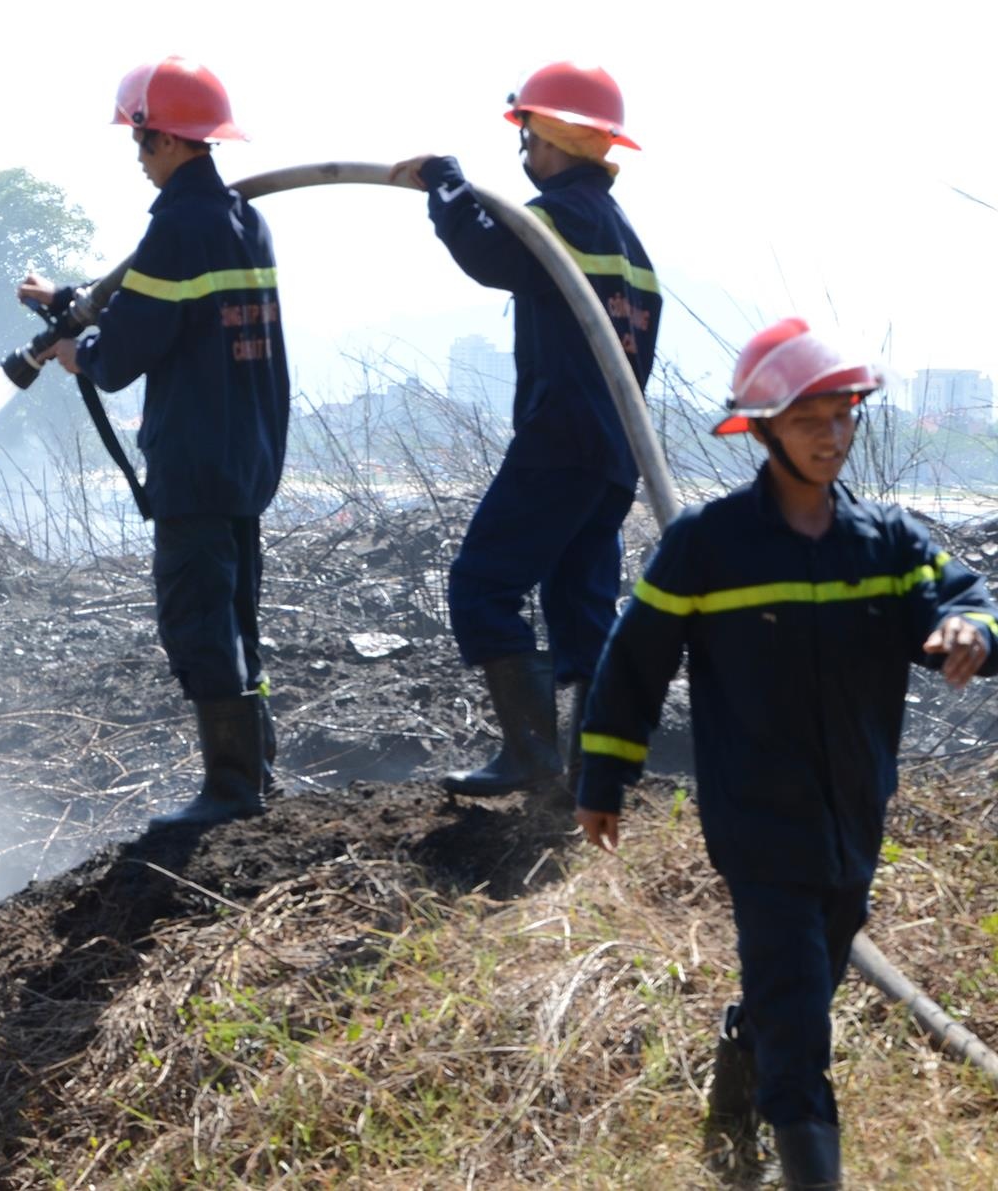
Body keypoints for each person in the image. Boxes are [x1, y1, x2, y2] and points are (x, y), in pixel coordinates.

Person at [574, 318, 998, 1189]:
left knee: (811, 976)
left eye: (844, 416)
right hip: (756, 818)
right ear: (764, 428)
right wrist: (605, 776)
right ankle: (807, 1157)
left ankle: (742, 1047)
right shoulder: (708, 543)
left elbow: (964, 596)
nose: (832, 436)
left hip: (854, 812)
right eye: (811, 420)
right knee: (803, 1016)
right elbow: (634, 663)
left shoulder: (887, 542)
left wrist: (972, 630)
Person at [19, 56, 288, 830]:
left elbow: (126, 351)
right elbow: (162, 308)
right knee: (237, 617)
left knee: (197, 621)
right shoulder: (241, 220)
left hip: (194, 462)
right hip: (246, 457)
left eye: (140, 145)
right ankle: (257, 775)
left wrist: (81, 352)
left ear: (166, 139)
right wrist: (67, 303)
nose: (138, 160)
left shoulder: (176, 227)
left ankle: (232, 789)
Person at [389, 62, 661, 798]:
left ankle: (533, 755)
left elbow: (488, 254)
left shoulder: (565, 216)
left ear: (557, 138)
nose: (524, 157)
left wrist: (445, 183)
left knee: (482, 585)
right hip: (613, 455)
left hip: (562, 441)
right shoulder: (630, 244)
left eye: (530, 139)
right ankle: (595, 775)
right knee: (580, 609)